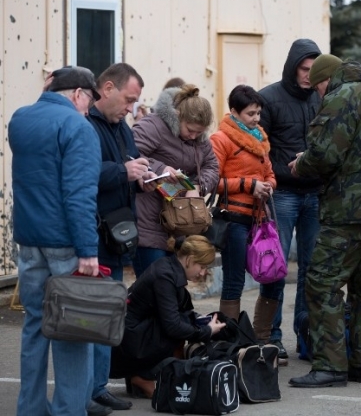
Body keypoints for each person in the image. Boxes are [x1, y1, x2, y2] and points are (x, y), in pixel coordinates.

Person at [288, 56, 361, 388]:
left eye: (318, 87)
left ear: (327, 79)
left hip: (348, 209)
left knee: (322, 283)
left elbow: (325, 154)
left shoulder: (341, 96)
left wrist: (300, 165)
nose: (319, 94)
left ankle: (330, 366)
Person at [10, 66, 101, 416]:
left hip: (29, 239)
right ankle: (69, 410)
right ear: (78, 93)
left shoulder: (20, 119)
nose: (89, 109)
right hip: (65, 241)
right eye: (89, 100)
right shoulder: (78, 127)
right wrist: (87, 250)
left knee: (35, 324)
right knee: (75, 330)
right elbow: (78, 194)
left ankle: (30, 409)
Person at [87, 63, 155, 413]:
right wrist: (122, 172)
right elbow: (79, 173)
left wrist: (145, 175)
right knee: (92, 318)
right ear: (108, 88)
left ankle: (99, 387)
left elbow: (130, 163)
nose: (131, 109)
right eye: (128, 101)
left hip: (117, 237)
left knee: (109, 316)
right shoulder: (84, 125)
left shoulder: (120, 127)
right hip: (93, 239)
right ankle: (88, 391)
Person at [259, 39, 322, 364]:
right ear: (292, 66)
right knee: (275, 267)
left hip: (315, 194)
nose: (309, 76)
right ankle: (271, 338)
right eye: (304, 69)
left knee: (313, 271)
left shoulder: (323, 98)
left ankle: (307, 336)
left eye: (314, 70)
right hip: (282, 193)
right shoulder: (269, 98)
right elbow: (259, 148)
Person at [110, 235, 225, 398]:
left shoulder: (168, 268)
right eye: (202, 266)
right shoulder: (165, 276)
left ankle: (148, 374)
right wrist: (205, 331)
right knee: (179, 327)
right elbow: (172, 325)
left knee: (184, 321)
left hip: (129, 335)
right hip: (127, 342)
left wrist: (199, 321)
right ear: (190, 260)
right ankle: (143, 376)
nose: (203, 272)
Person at [209, 85, 278, 342]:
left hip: (259, 220)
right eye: (251, 113)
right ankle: (229, 339)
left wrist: (269, 184)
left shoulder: (260, 137)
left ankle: (262, 337)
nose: (257, 119)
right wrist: (249, 185)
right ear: (234, 112)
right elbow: (212, 181)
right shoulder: (220, 139)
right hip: (234, 220)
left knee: (273, 274)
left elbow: (269, 173)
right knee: (235, 280)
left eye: (259, 113)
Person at [131, 84, 219, 277]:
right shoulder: (154, 125)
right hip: (149, 223)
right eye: (190, 130)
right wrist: (160, 168)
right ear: (178, 115)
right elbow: (130, 153)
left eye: (199, 133)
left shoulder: (200, 138)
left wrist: (198, 186)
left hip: (179, 225)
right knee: (154, 286)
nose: (194, 136)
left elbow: (212, 166)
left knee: (169, 286)